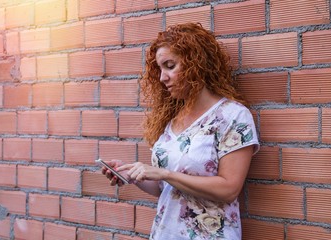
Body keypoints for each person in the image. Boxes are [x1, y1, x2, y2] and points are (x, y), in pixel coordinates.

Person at [102, 22, 259, 240]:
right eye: (160, 69)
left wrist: (164, 173)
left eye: (170, 66)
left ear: (196, 63)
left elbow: (229, 188)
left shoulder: (233, 116)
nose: (162, 77)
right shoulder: (172, 122)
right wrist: (134, 175)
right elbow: (163, 188)